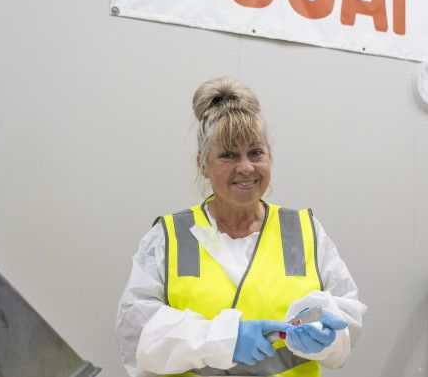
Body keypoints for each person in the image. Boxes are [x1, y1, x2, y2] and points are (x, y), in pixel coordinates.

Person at [116, 77, 367, 377]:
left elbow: (347, 318)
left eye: (256, 152)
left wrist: (327, 336)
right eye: (229, 155)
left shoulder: (302, 231)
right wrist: (225, 339)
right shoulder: (169, 238)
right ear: (202, 164)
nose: (246, 167)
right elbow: (137, 335)